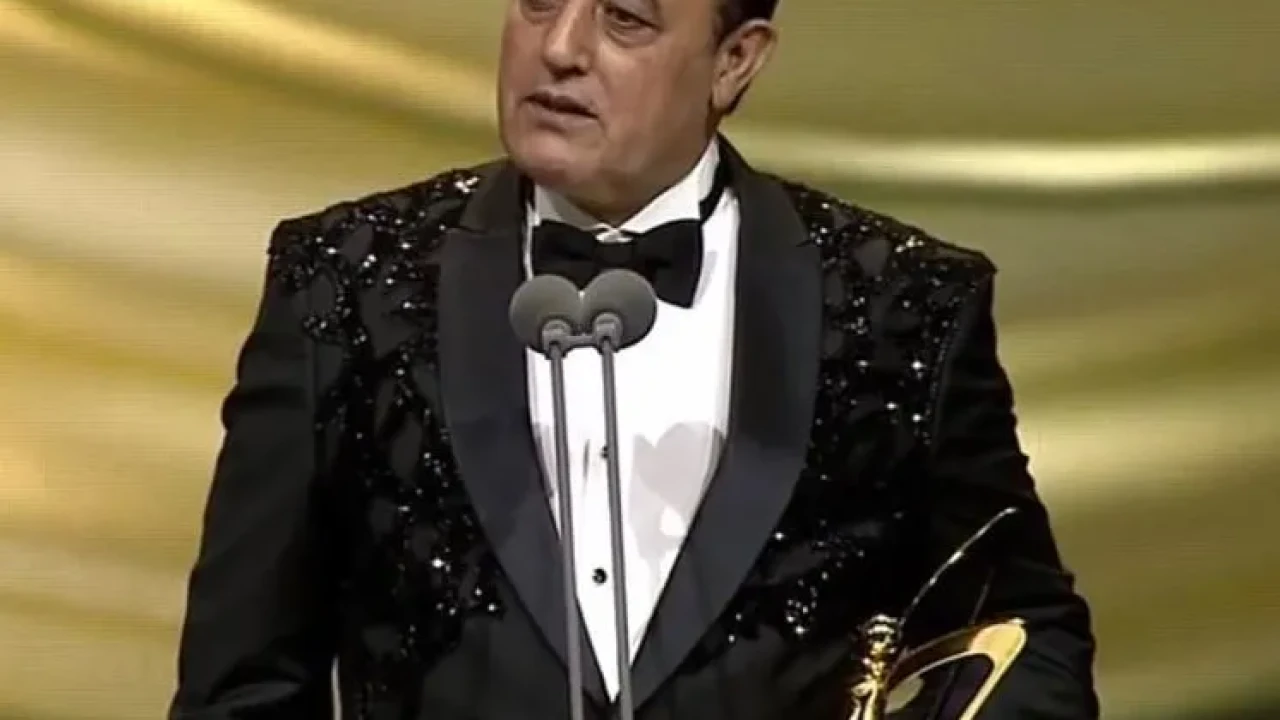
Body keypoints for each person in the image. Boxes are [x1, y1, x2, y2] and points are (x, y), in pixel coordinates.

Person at [170, 0, 1098, 717]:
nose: (560, 46)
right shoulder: (344, 280)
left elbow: (1022, 632)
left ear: (735, 62)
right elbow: (243, 681)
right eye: (538, 2)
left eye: (624, 19)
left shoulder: (903, 303)